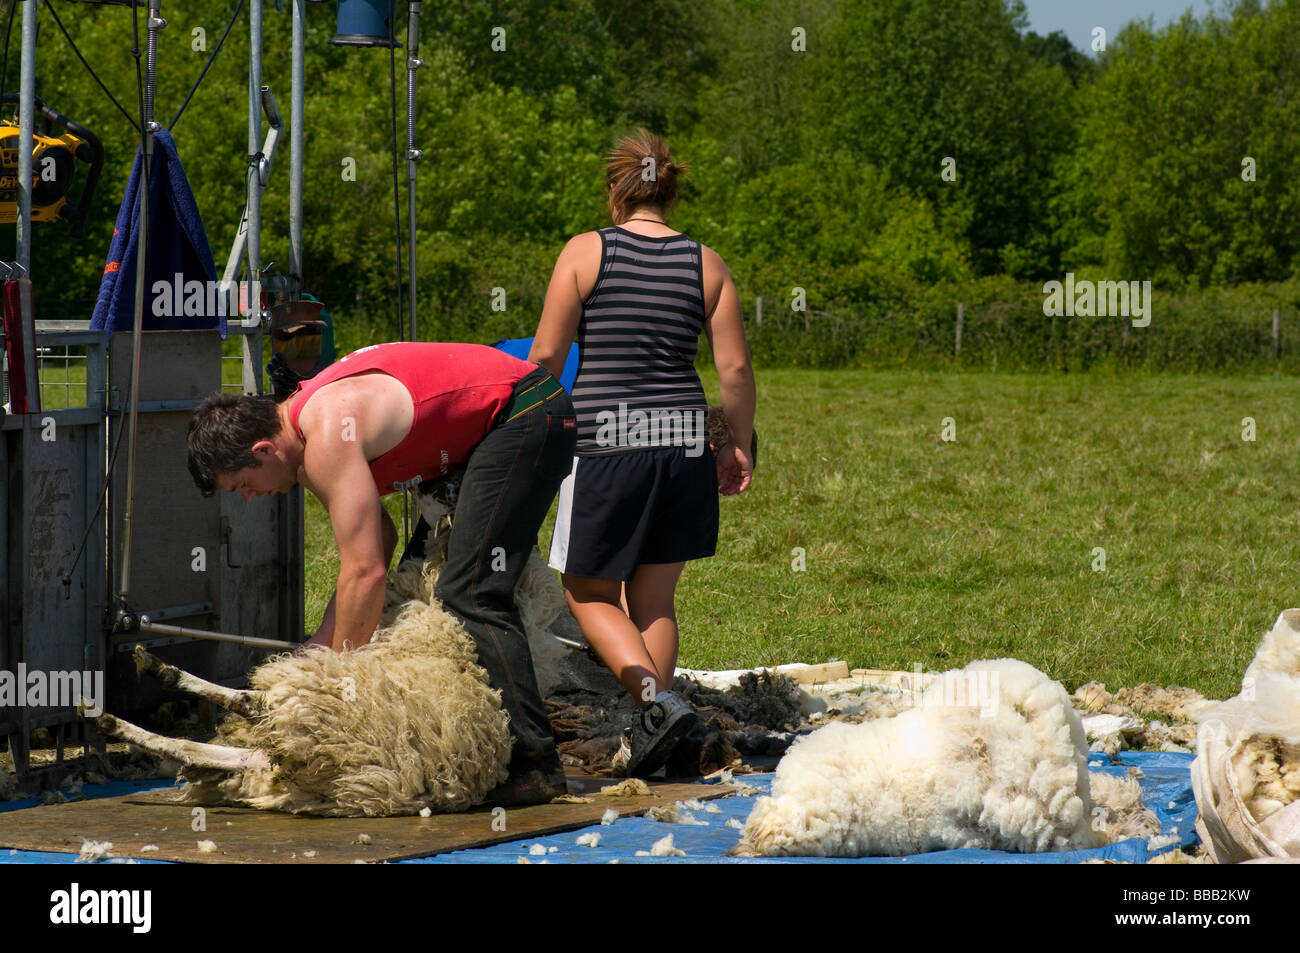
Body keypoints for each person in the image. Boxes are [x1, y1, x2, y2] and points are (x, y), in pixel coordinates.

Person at [185, 341, 577, 805]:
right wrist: (320, 646)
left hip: (526, 411)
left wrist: (333, 678)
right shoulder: (305, 436)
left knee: (470, 594)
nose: (250, 498)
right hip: (495, 424)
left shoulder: (326, 434)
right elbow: (381, 541)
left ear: (264, 449)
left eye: (244, 486)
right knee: (424, 580)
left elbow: (366, 571)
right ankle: (464, 740)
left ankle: (536, 764)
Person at [528, 129, 756, 777]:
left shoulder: (585, 252)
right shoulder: (706, 263)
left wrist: (526, 425)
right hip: (683, 441)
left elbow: (545, 357)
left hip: (606, 438)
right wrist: (736, 444)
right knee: (653, 601)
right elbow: (735, 371)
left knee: (587, 591)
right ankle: (660, 723)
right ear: (671, 192)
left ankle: (657, 705)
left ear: (615, 192)